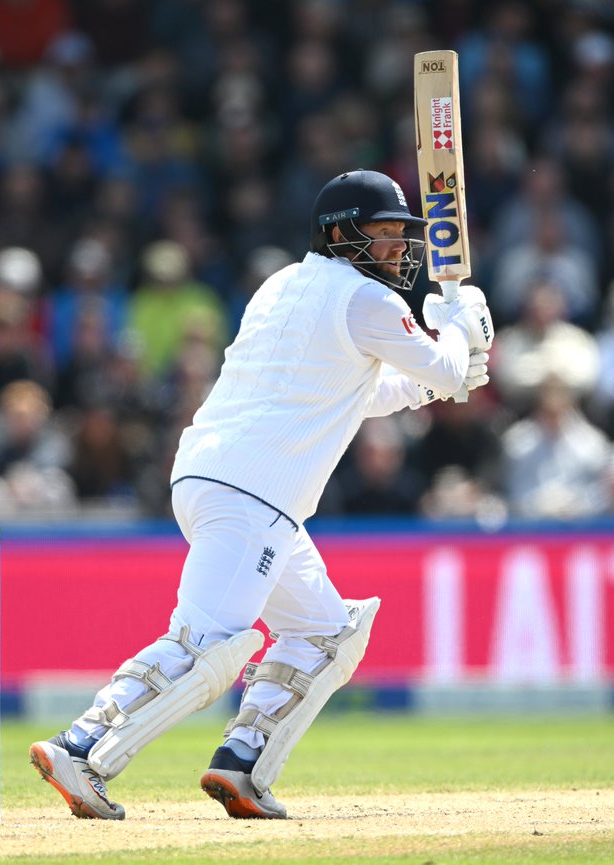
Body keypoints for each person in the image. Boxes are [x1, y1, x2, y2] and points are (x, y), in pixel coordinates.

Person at [29, 169, 493, 820]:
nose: (397, 248)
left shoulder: (285, 285)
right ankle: (80, 747)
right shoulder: (368, 302)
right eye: (385, 233)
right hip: (254, 494)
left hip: (214, 480)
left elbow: (358, 393)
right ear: (342, 233)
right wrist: (457, 326)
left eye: (401, 236)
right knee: (205, 644)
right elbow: (442, 364)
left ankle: (242, 763)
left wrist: (441, 372)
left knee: (326, 632)